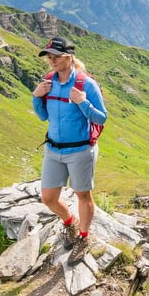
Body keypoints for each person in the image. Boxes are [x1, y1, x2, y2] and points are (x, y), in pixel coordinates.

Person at [32, 36, 107, 264]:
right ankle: (69, 222)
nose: (51, 60)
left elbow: (101, 117)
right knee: (48, 198)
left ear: (69, 57)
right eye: (49, 56)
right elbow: (43, 115)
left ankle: (83, 237)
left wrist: (83, 102)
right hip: (53, 150)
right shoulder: (48, 83)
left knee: (83, 195)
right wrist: (36, 97)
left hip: (80, 150)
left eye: (56, 56)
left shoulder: (86, 84)